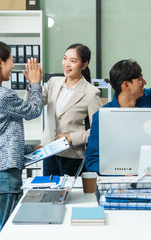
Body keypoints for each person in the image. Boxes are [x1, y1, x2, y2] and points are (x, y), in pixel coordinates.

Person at [85, 19, 151, 172]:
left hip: (147, 173)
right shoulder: (102, 116)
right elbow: (91, 161)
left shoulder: (146, 98)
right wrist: (120, 174)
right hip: (117, 182)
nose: (144, 82)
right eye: (139, 79)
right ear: (126, 85)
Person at [0, 40, 43, 231]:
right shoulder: (2, 95)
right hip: (2, 171)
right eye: (11, 60)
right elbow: (33, 111)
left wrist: (31, 149)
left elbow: (1, 134)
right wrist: (35, 83)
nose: (13, 65)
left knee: (5, 223)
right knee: (6, 228)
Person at [41, 43, 101, 176]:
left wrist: (71, 138)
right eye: (65, 58)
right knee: (49, 193)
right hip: (49, 152)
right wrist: (33, 84)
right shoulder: (53, 83)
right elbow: (34, 104)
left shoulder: (91, 93)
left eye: (73, 61)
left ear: (84, 65)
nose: (66, 64)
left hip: (73, 156)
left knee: (73, 195)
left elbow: (99, 130)